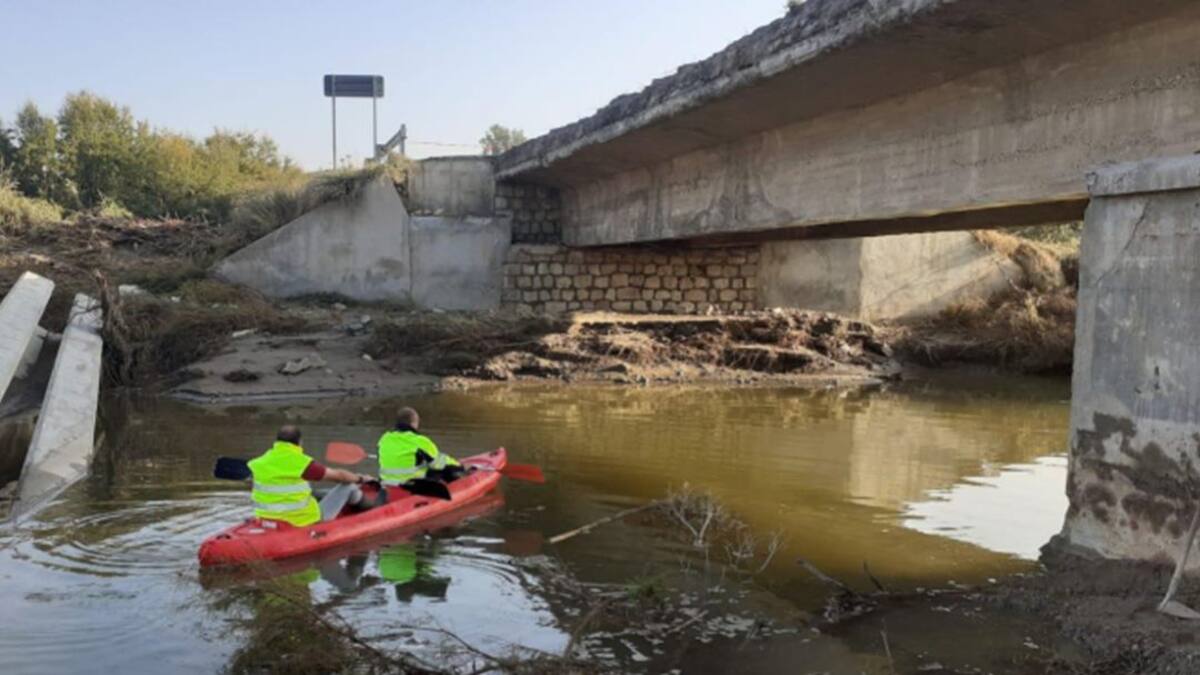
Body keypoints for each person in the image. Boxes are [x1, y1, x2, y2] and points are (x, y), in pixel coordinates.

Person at [247, 425, 369, 527]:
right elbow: (340, 476)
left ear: (277, 441)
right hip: (301, 521)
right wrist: (360, 478)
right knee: (349, 487)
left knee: (313, 493)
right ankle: (370, 511)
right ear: (300, 442)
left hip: (266, 518)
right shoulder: (302, 463)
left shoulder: (258, 463)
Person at [377, 407, 463, 486]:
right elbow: (439, 463)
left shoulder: (384, 439)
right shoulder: (420, 441)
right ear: (414, 423)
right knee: (442, 469)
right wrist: (459, 466)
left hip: (387, 483)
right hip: (411, 485)